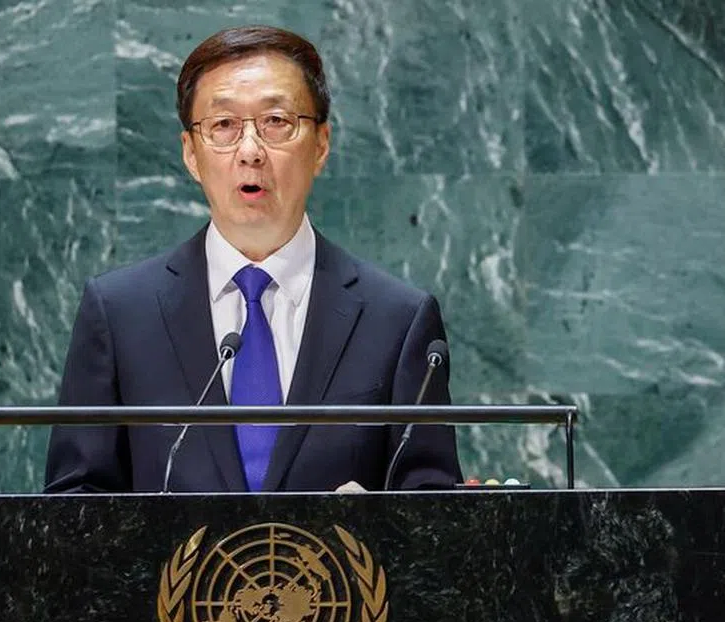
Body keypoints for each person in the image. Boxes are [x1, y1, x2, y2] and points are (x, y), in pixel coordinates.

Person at [44, 26, 461, 493]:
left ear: (321, 144)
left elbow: (433, 520)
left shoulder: (397, 319)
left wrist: (377, 532)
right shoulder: (121, 313)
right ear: (191, 154)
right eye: (223, 126)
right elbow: (74, 509)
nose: (250, 151)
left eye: (276, 122)